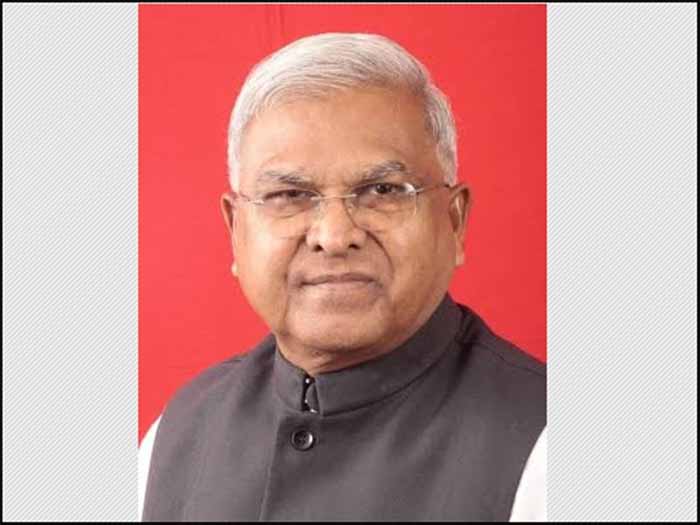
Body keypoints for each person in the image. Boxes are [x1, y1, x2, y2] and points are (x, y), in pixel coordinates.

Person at [140, 32, 546, 522]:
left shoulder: (545, 449)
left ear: (454, 221)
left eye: (383, 190)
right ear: (235, 230)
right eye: (290, 195)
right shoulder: (175, 437)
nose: (334, 236)